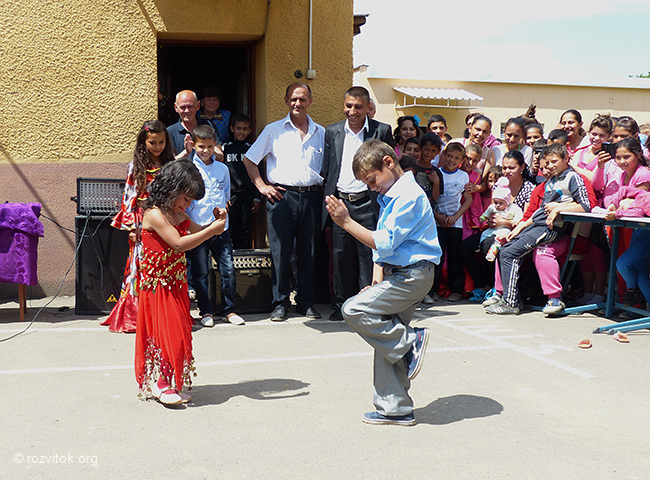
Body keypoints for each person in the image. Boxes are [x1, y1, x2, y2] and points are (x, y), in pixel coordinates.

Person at [324, 139, 442, 426]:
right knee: (384, 335)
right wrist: (377, 280)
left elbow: (385, 242)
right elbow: (383, 245)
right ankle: (396, 408)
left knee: (353, 310)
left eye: (372, 179)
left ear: (389, 162)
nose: (371, 186)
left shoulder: (407, 197)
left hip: (414, 275)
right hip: (402, 273)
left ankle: (411, 342)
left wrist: (346, 222)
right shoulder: (393, 195)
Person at [134, 160, 227, 405]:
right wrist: (212, 231)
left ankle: (166, 382)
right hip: (157, 287)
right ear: (171, 189)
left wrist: (216, 225)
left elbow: (199, 232)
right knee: (165, 334)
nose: (188, 204)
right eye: (185, 198)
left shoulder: (179, 214)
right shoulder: (154, 215)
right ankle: (160, 383)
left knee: (178, 333)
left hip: (175, 285)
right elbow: (178, 243)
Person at [243, 83, 325, 321]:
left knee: (308, 251)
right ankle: (280, 303)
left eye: (302, 99)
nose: (297, 104)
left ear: (310, 101)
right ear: (286, 100)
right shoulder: (273, 130)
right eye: (293, 99)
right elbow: (250, 160)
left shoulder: (321, 132)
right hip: (281, 197)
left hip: (311, 197)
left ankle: (305, 302)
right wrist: (262, 186)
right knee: (280, 252)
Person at [485, 144, 590, 315]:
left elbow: (585, 205)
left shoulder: (572, 177)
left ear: (566, 159)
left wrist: (557, 209)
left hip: (551, 228)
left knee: (510, 253)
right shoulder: (551, 182)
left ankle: (511, 303)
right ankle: (503, 296)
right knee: (504, 247)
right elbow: (538, 211)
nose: (550, 166)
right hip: (536, 225)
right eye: (546, 163)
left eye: (554, 161)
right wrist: (520, 227)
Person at [322, 86, 395, 321]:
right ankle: (341, 305)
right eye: (348, 105)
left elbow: (390, 166)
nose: (352, 111)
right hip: (341, 201)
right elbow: (329, 167)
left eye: (358, 107)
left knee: (369, 255)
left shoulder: (381, 130)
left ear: (368, 108)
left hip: (368, 202)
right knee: (341, 255)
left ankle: (368, 304)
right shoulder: (332, 131)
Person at [102, 120, 174, 333]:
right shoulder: (136, 166)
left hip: (166, 219)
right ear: (144, 142)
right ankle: (138, 315)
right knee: (140, 265)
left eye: (162, 142)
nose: (158, 146)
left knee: (163, 263)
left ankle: (163, 312)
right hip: (142, 222)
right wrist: (132, 227)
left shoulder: (169, 163)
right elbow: (129, 198)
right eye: (153, 142)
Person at [186, 125, 245, 327]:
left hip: (221, 228)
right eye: (201, 146)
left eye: (210, 146)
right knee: (201, 272)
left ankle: (229, 310)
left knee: (227, 269)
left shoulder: (223, 169)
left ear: (215, 146)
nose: (206, 151)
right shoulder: (189, 169)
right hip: (198, 228)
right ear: (193, 145)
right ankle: (206, 311)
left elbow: (225, 195)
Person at [432, 142, 473, 302]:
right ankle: (432, 290)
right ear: (444, 155)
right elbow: (430, 199)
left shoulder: (463, 176)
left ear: (461, 160)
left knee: (455, 257)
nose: (451, 160)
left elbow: (468, 200)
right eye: (449, 156)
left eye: (456, 158)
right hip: (438, 222)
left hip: (455, 224)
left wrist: (456, 216)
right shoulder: (437, 173)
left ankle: (456, 290)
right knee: (437, 257)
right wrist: (438, 217)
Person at [222, 114, 261, 249]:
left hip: (247, 194)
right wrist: (223, 196)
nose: (241, 132)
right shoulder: (225, 148)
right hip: (230, 195)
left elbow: (258, 173)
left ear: (250, 130)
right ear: (232, 129)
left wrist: (257, 197)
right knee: (228, 227)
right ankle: (228, 258)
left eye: (245, 129)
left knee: (244, 227)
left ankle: (242, 254)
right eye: (238, 128)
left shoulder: (252, 148)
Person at [167, 90, 223, 161]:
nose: (187, 111)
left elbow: (220, 157)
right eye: (183, 107)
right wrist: (187, 152)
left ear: (198, 106)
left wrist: (207, 149)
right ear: (176, 107)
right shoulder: (170, 131)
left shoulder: (208, 125)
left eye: (190, 106)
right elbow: (170, 164)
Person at [479, 177, 523, 261]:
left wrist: (515, 221)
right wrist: (482, 218)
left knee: (502, 235)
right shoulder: (493, 207)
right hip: (492, 228)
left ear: (507, 201)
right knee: (484, 234)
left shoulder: (513, 208)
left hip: (505, 229)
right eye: (496, 202)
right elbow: (487, 213)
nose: (498, 205)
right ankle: (479, 245)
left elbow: (519, 215)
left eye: (501, 203)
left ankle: (496, 246)